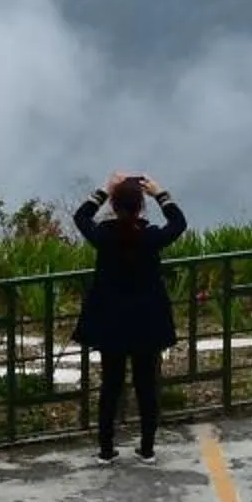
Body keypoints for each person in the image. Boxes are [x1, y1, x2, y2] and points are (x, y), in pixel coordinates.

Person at [72, 171, 188, 461]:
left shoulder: (104, 237)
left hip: (111, 325)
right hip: (147, 324)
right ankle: (147, 449)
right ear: (141, 207)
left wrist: (103, 190)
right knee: (146, 387)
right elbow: (178, 223)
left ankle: (106, 450)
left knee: (111, 387)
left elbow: (81, 217)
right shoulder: (150, 237)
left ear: (113, 205)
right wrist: (160, 193)